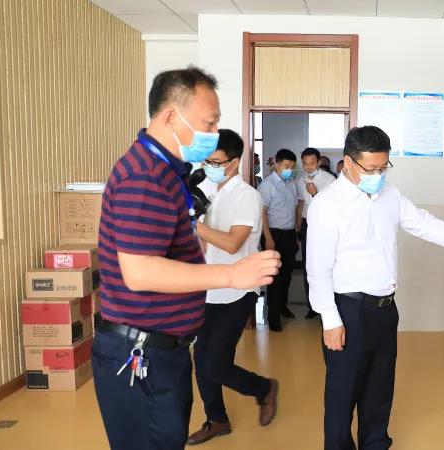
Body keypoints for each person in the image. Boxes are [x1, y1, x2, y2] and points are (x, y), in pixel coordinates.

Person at [93, 66, 281, 450]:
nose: (213, 133)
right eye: (209, 123)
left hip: (162, 347)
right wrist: (231, 275)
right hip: (142, 353)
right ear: (170, 117)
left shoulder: (167, 172)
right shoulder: (145, 177)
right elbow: (140, 271)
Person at [307, 126, 444, 450]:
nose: (378, 175)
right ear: (349, 162)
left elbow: (425, 224)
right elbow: (317, 269)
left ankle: (375, 444)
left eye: (384, 168)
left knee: (379, 389)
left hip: (385, 309)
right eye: (371, 169)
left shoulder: (390, 195)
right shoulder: (327, 205)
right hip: (348, 311)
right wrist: (330, 319)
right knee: (343, 394)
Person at [187, 129, 279, 446]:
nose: (210, 167)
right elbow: (200, 242)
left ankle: (263, 388)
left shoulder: (247, 196)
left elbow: (232, 243)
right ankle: (217, 420)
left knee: (215, 364)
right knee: (201, 359)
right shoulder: (204, 190)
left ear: (234, 162)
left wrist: (193, 223)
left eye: (216, 162)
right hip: (207, 286)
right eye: (206, 161)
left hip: (238, 292)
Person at [258, 148, 300, 332]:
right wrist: (268, 238)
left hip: (289, 235)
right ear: (277, 164)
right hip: (273, 235)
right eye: (286, 166)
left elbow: (296, 207)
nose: (289, 169)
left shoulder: (291, 183)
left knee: (287, 274)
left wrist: (296, 234)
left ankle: (283, 307)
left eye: (292, 166)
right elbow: (261, 213)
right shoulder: (267, 185)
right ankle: (273, 316)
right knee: (275, 277)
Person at [296, 147, 336, 319]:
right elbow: (300, 204)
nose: (308, 167)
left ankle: (328, 307)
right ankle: (312, 306)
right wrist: (298, 228)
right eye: (305, 163)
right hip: (307, 225)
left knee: (326, 264)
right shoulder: (300, 180)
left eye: (312, 163)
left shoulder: (329, 179)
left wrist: (315, 194)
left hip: (325, 225)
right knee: (309, 265)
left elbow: (332, 206)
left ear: (319, 162)